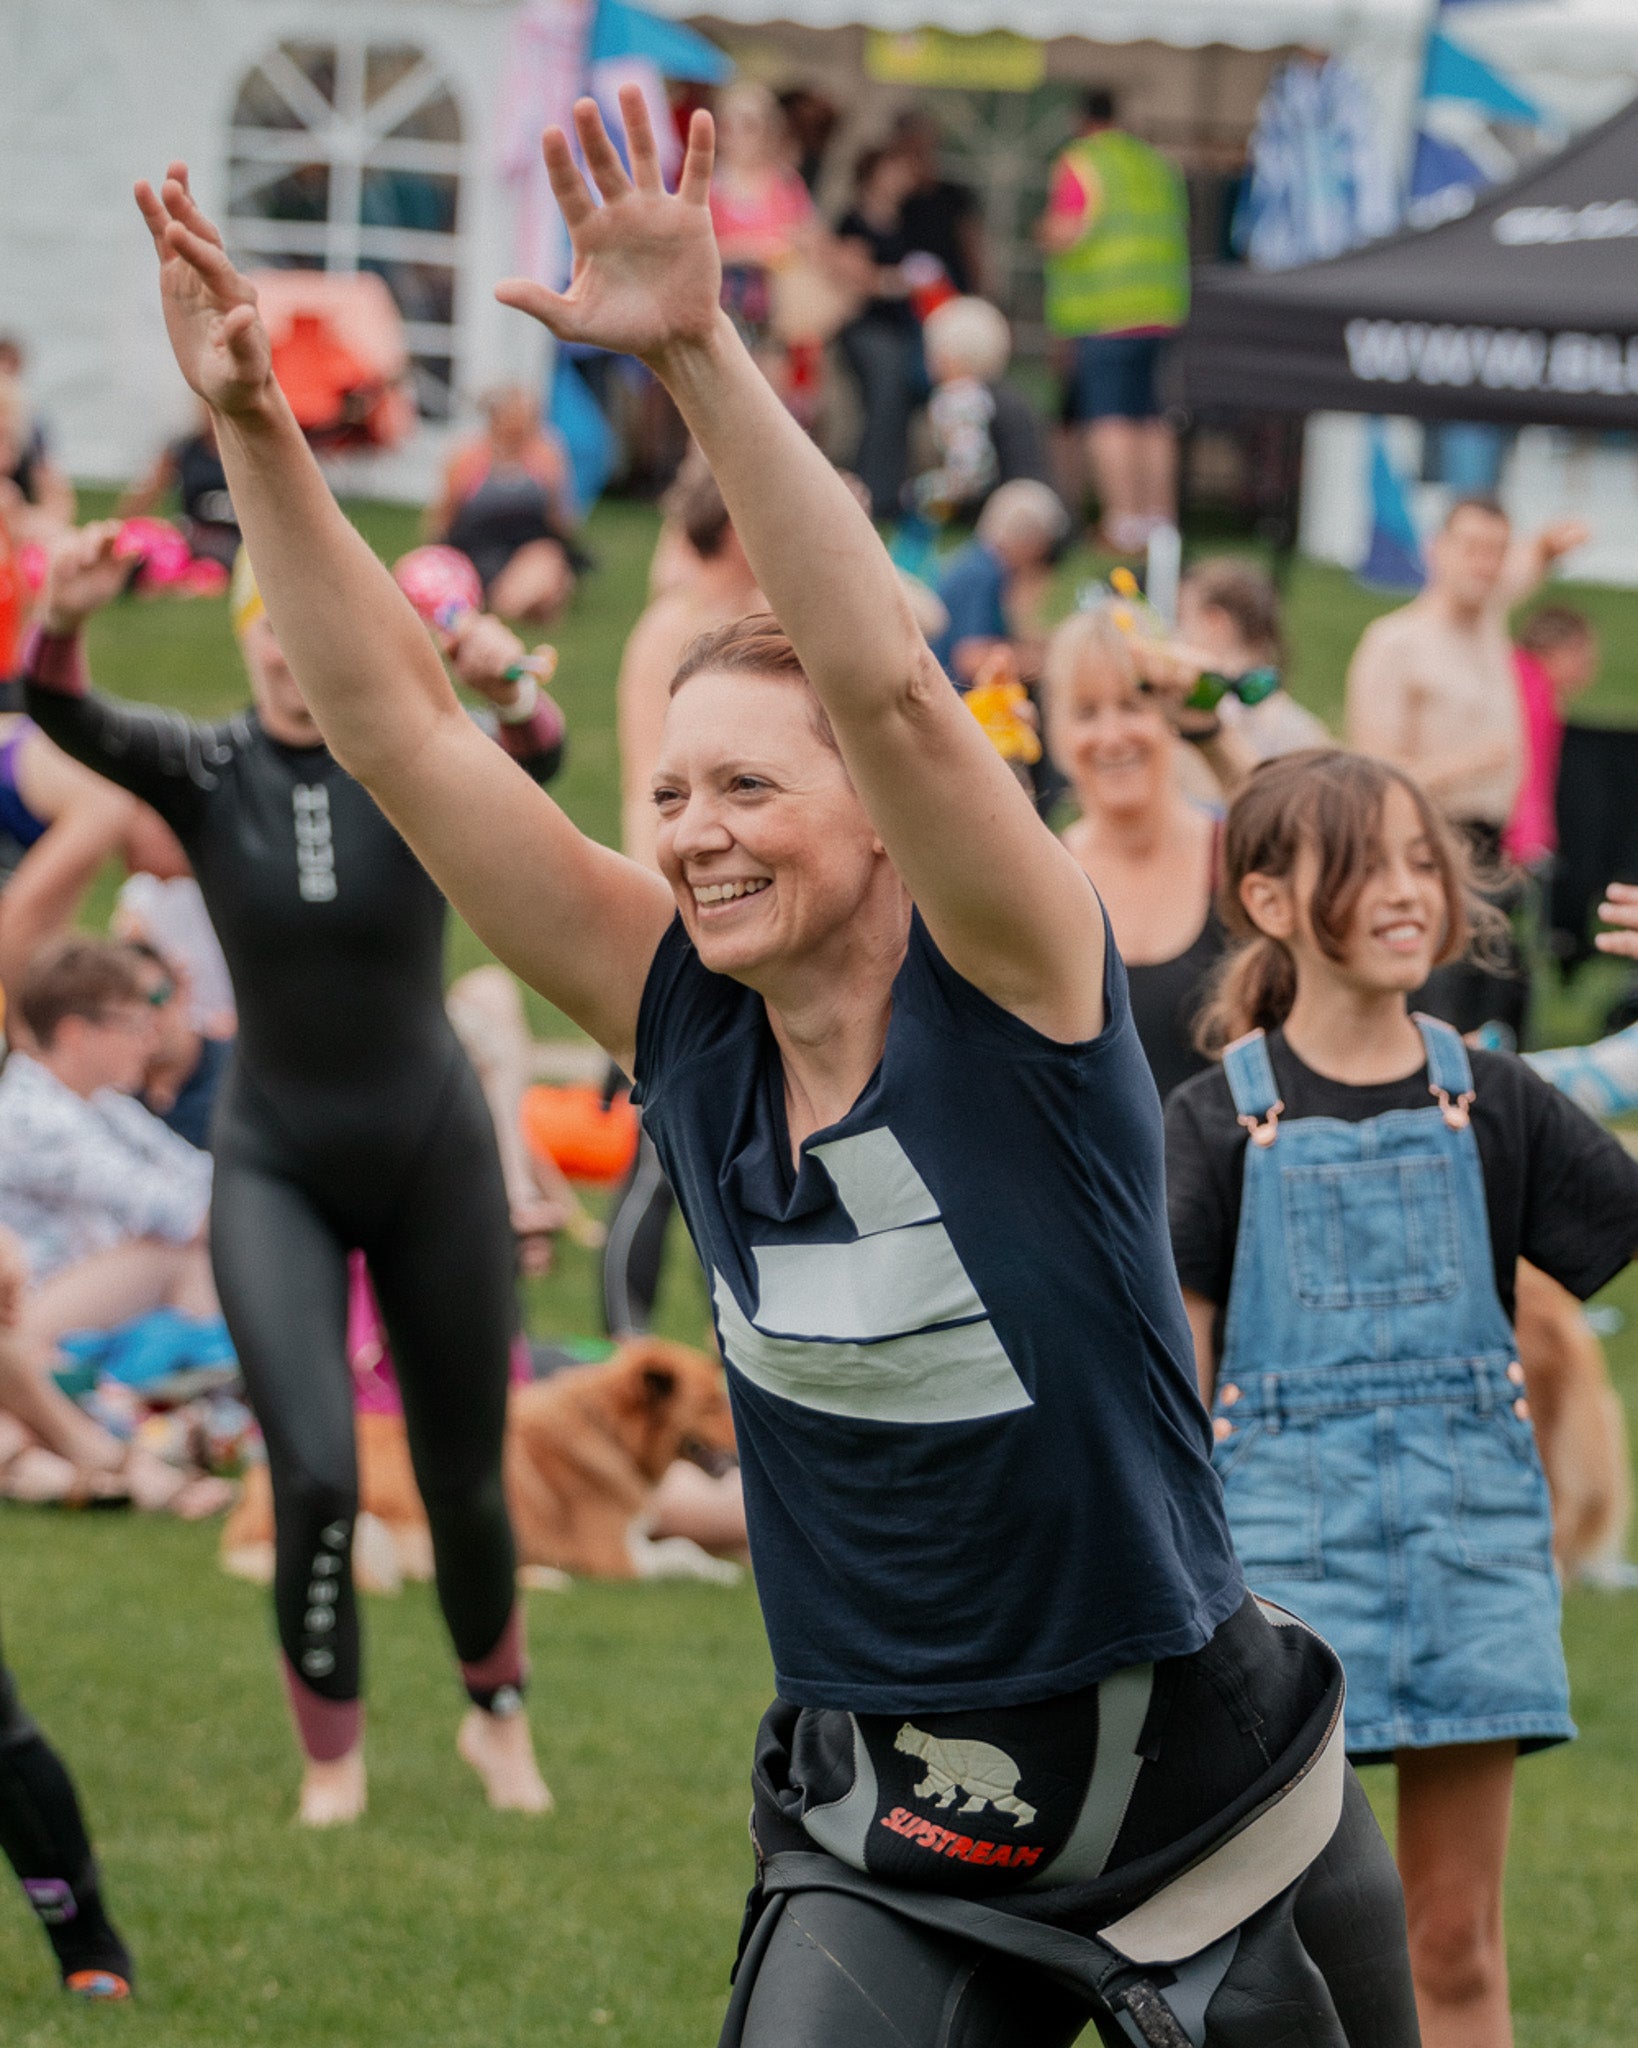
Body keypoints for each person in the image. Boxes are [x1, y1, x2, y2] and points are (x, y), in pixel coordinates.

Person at [132, 97, 1423, 2044]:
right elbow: (402, 728)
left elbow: (896, 687)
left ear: (888, 820)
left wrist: (699, 359)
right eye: (665, 795)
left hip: (1199, 1794)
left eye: (750, 785)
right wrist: (253, 433)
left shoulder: (1014, 981)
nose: (697, 831)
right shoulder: (675, 1014)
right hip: (893, 1810)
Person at [23, 540, 559, 1829]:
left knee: (462, 1469)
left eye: (309, 620)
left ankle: (497, 1714)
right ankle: (333, 1756)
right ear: (249, 636)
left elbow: (537, 750)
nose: (286, 644)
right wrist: (64, 620)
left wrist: (500, 677)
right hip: (276, 1165)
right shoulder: (209, 770)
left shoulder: (413, 758)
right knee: (313, 1468)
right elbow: (60, 708)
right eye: (267, 622)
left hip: (432, 1153)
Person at [1164, 748, 1638, 2048]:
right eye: (1361, 861)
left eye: (1420, 860)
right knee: (1287, 1956)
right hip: (1278, 1572)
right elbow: (1172, 1401)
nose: (1404, 888)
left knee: (1451, 1940)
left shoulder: (1495, 1100)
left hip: (1470, 1552)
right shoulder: (1213, 1124)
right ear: (1265, 899)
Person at [0, 938, 231, 1517]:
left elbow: (198, 1179)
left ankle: (179, 1418)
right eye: (132, 1023)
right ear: (77, 1034)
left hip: (61, 1302)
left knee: (196, 1254)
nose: (149, 1038)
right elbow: (178, 1212)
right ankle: (184, 1418)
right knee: (180, 1255)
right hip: (24, 1309)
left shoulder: (94, 1100)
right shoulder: (34, 1115)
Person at [1344, 495, 1588, 1039]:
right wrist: (1469, 764)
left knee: (1492, 1016)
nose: (1486, 563)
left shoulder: (1488, 615)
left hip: (1492, 854)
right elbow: (1369, 772)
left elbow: (1521, 568)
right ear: (1437, 551)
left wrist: (1548, 545)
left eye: (1497, 552)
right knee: (1434, 1009)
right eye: (1472, 548)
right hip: (1420, 852)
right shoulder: (1397, 643)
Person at [1047, 607, 1234, 1104]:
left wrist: (1212, 733)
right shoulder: (1044, 878)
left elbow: (1313, 841)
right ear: (1057, 734)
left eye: (1133, 705)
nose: (1112, 737)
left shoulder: (1232, 855)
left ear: (1170, 714)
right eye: (1086, 713)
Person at [1037, 89, 1189, 556]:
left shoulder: (1082, 162)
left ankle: (1123, 523)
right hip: (1161, 310)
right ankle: (1160, 522)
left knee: (1109, 419)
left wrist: (1040, 232)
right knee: (1151, 420)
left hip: (1106, 313)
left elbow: (1066, 229)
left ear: (1081, 119)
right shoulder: (1156, 164)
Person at [0, 716, 140, 1000]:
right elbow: (18, 921)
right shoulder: (108, 803)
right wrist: (21, 1037)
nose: (163, 878)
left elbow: (45, 935)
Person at [426, 384, 579, 623]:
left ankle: (519, 597)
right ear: (497, 417)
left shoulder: (545, 456)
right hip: (474, 551)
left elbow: (560, 521)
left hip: (527, 550)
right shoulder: (468, 457)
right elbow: (444, 516)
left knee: (545, 563)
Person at [832, 146, 925, 519]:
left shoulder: (906, 220)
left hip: (900, 330)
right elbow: (853, 273)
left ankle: (890, 491)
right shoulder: (854, 219)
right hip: (865, 328)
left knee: (898, 403)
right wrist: (893, 281)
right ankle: (869, 490)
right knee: (883, 401)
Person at [1175, 557, 1330, 764]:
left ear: (1216, 622)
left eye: (1181, 619)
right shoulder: (1303, 725)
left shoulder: (1196, 716)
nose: (1176, 635)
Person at [911, 297, 1052, 521]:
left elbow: (971, 474)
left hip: (1011, 515)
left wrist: (920, 495)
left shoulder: (960, 397)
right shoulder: (1006, 393)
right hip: (1045, 507)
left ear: (948, 356)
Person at [1503, 604, 1598, 873]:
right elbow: (1528, 772)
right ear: (1563, 650)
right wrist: (1531, 839)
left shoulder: (1518, 676)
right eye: (1584, 656)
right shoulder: (1535, 694)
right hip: (1507, 837)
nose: (1589, 667)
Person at [116, 400, 242, 576]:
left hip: (238, 543)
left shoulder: (248, 451)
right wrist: (120, 530)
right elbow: (149, 491)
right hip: (193, 539)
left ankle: (196, 575)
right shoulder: (185, 449)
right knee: (150, 538)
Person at [891, 110, 988, 299]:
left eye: (921, 150)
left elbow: (971, 244)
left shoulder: (952, 196)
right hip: (903, 299)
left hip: (951, 294)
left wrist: (981, 291)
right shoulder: (893, 201)